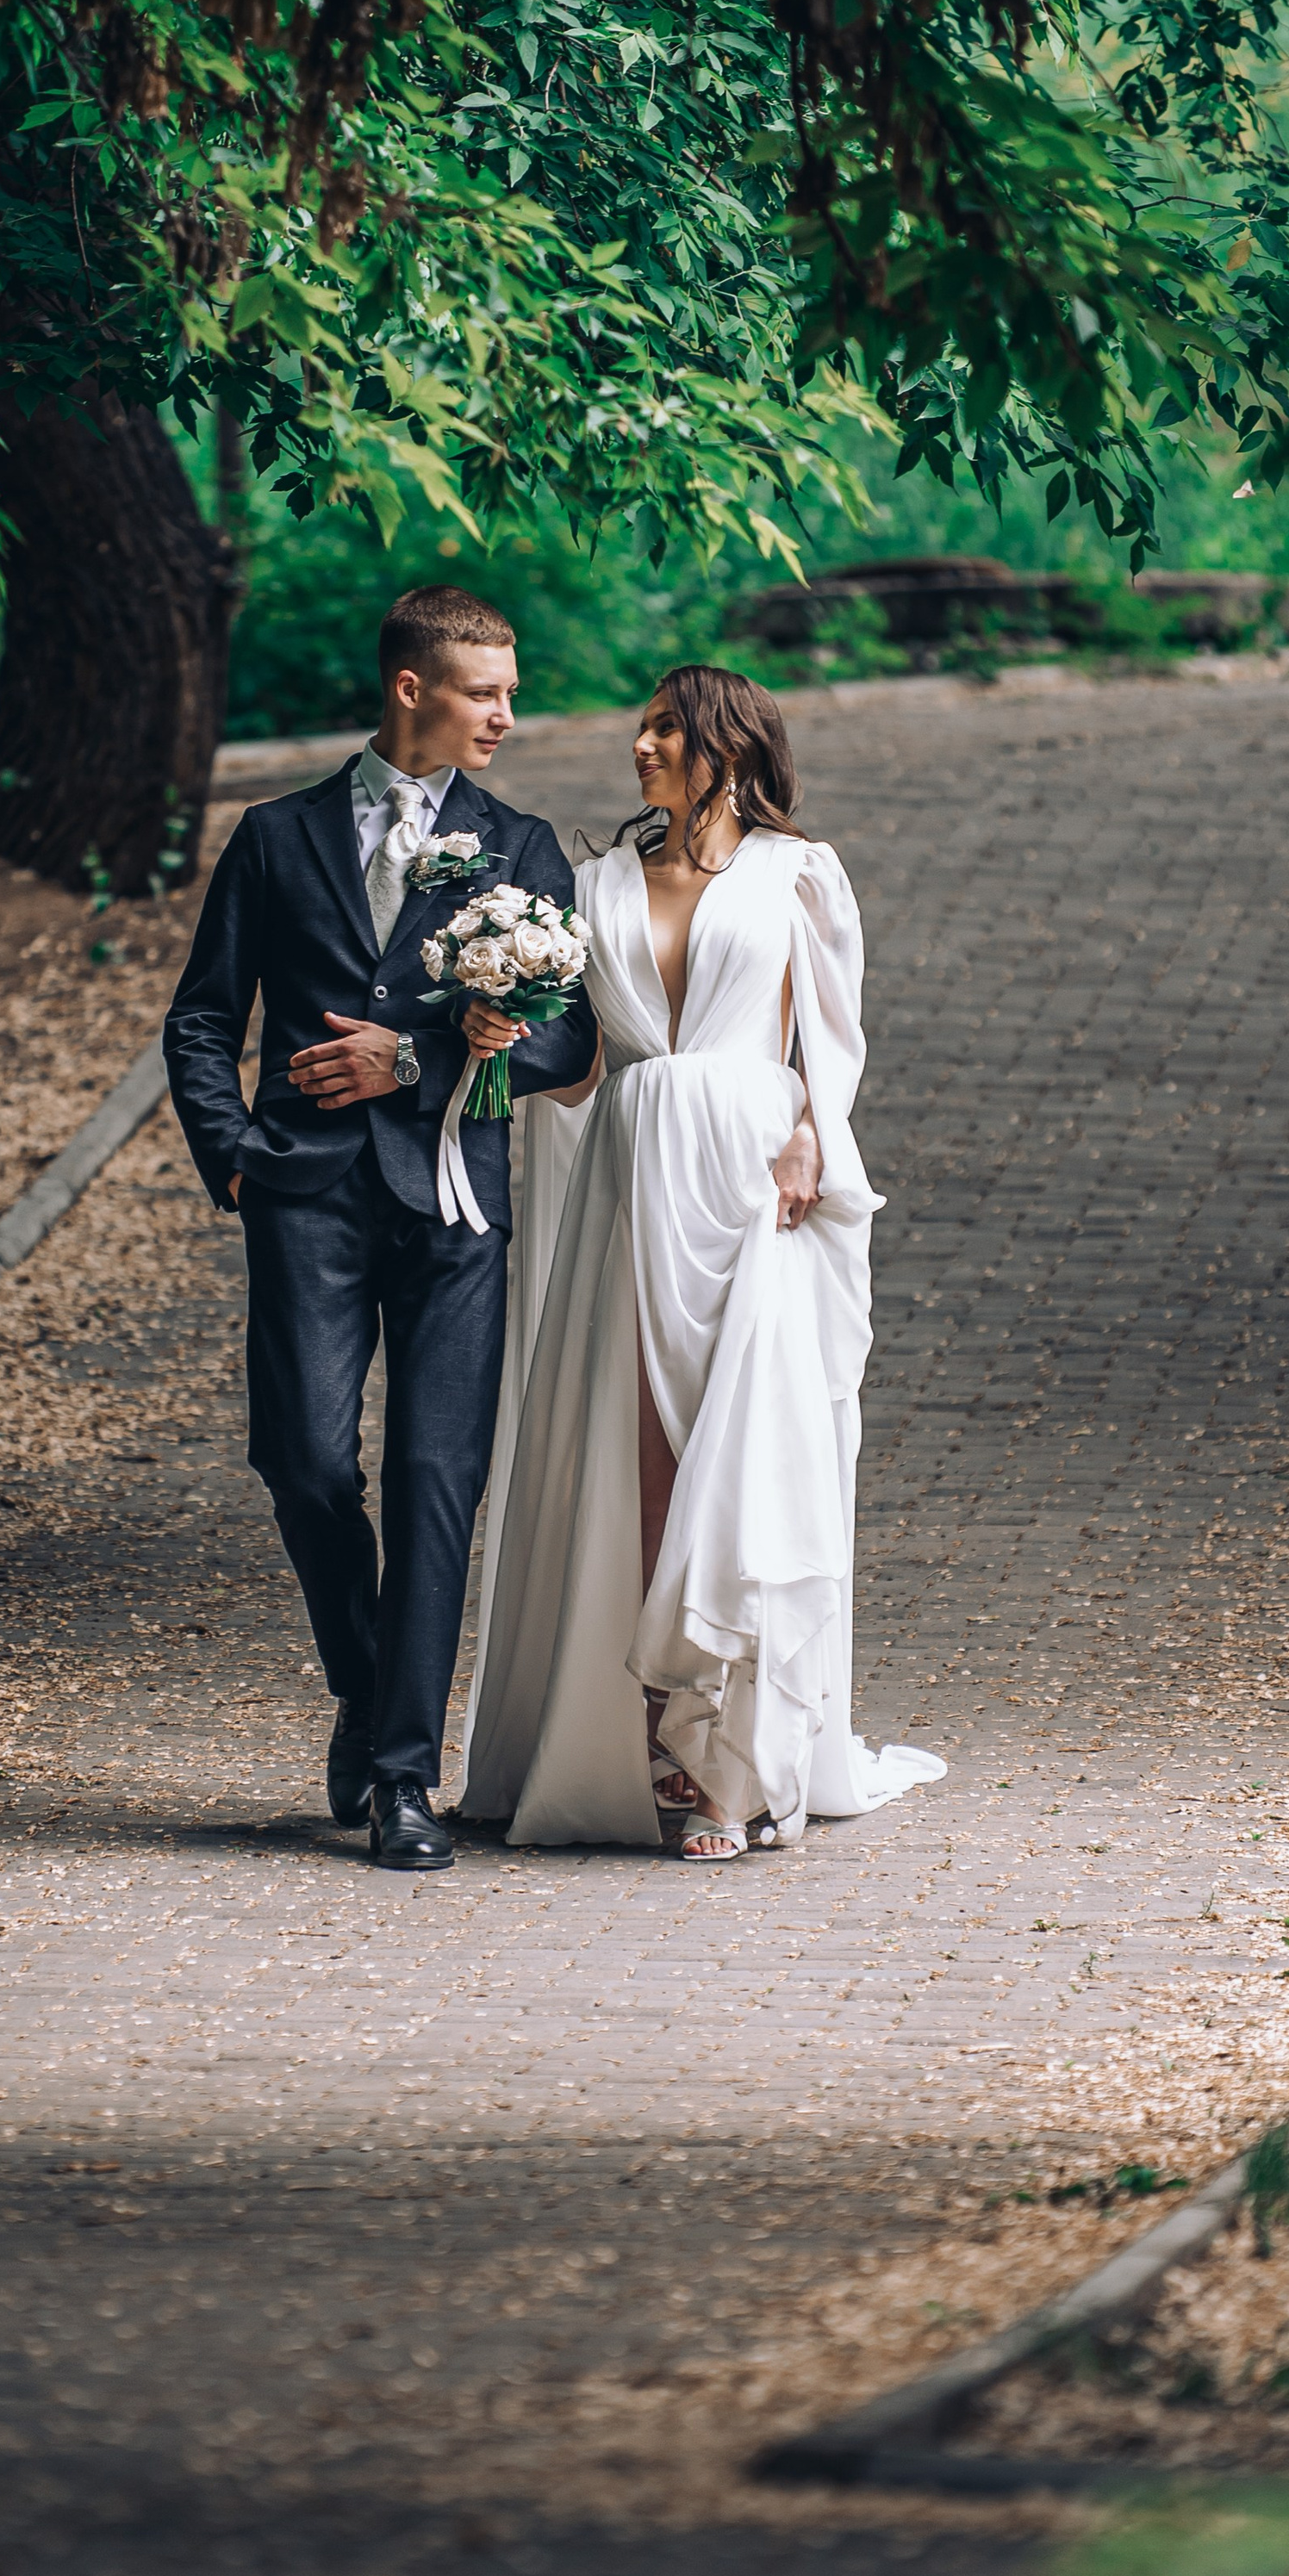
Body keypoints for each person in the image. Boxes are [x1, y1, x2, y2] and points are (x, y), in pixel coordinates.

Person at [460, 666, 943, 1859]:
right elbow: (577, 1068)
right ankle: (642, 1736)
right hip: (627, 1177)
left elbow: (833, 1040)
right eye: (644, 725)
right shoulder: (591, 886)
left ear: (727, 748)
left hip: (752, 1186)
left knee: (743, 1458)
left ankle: (735, 1765)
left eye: (666, 727)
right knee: (636, 1470)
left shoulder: (798, 876)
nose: (640, 745)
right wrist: (487, 1042)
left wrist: (811, 1139)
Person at [164, 587, 599, 1871]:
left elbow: (570, 1035)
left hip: (455, 1200)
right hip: (302, 1195)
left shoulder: (519, 850)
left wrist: (417, 1058)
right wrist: (235, 1158)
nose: (507, 715)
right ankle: (367, 1685)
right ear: (412, 689)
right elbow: (202, 1019)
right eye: (486, 691)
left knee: (435, 1484)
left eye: (511, 691)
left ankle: (404, 1776)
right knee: (302, 1460)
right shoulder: (276, 837)